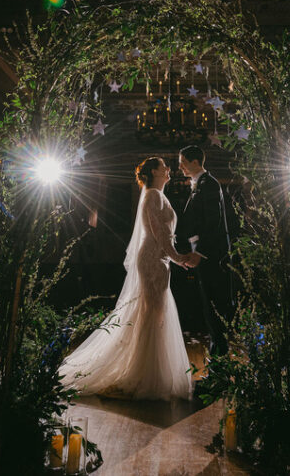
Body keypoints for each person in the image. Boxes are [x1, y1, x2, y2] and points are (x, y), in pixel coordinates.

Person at [58, 157, 199, 400]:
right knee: (152, 312)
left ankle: (146, 370)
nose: (169, 169)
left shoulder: (157, 195)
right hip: (153, 260)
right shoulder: (153, 195)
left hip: (160, 260)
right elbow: (159, 234)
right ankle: (146, 376)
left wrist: (173, 258)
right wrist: (179, 258)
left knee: (154, 313)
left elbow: (164, 235)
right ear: (154, 171)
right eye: (164, 165)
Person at [176, 145, 233, 357]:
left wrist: (199, 252)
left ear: (195, 162)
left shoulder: (209, 184)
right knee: (209, 306)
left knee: (215, 305)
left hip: (213, 256)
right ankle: (217, 355)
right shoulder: (199, 184)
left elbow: (213, 221)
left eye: (182, 161)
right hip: (204, 254)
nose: (180, 166)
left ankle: (220, 356)